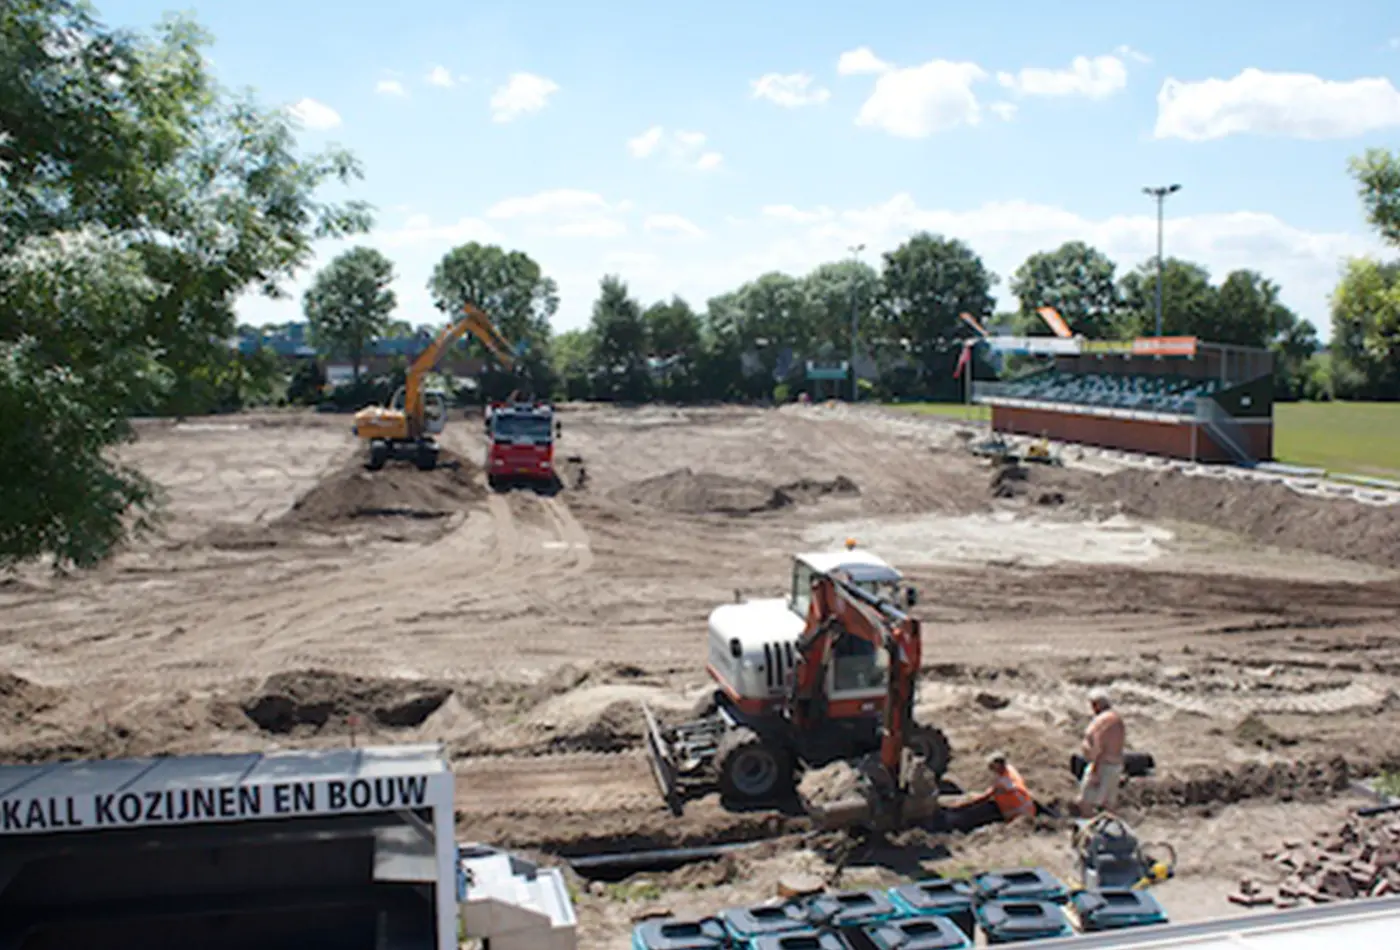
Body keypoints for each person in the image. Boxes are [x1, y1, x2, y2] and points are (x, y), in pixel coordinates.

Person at [941, 752, 1037, 832]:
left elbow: (985, 797)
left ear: (998, 765)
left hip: (1016, 814)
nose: (990, 768)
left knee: (980, 811)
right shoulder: (1010, 771)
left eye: (992, 766)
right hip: (1025, 808)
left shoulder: (1004, 783)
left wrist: (961, 807)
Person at [1077, 688, 1126, 816]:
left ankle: (1090, 830)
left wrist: (1094, 771)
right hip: (1114, 766)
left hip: (1102, 766)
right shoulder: (1116, 719)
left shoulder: (1103, 721)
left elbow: (1099, 746)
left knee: (1085, 802)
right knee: (1108, 804)